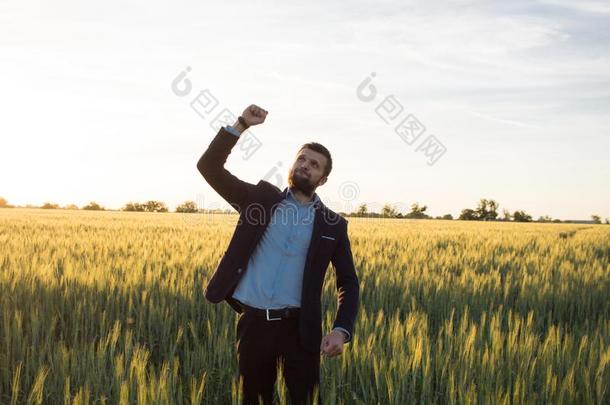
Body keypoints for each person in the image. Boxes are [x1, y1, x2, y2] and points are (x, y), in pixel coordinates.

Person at [197, 104, 360, 404]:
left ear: (323, 179)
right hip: (255, 325)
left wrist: (341, 330)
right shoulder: (259, 201)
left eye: (314, 164)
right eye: (301, 159)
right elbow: (209, 167)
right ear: (291, 165)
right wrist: (241, 125)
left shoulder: (333, 225)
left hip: (301, 330)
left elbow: (348, 283)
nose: (305, 165)